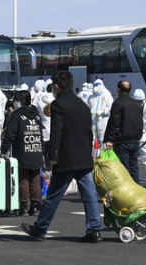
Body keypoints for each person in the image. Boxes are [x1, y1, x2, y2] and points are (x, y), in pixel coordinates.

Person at [21, 71, 102, 243]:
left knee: (53, 195)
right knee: (89, 195)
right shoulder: (82, 105)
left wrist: (52, 157)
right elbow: (89, 132)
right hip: (83, 157)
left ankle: (40, 228)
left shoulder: (58, 104)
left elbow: (57, 132)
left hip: (67, 157)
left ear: (56, 86)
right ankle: (94, 229)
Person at [1, 90, 45, 216]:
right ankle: (35, 206)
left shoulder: (17, 116)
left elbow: (10, 135)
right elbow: (41, 134)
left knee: (23, 180)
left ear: (20, 101)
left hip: (22, 152)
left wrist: (4, 149)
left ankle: (24, 206)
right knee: (35, 179)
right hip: (36, 150)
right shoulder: (36, 115)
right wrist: (42, 150)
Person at [103, 80, 144, 183]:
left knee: (124, 168)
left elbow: (114, 123)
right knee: (134, 168)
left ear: (119, 90)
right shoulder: (136, 104)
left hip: (122, 141)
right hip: (135, 140)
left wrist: (110, 139)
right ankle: (137, 191)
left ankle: (126, 192)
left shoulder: (118, 103)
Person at [132, 89, 146, 181]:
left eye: (141, 101)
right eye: (137, 101)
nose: (139, 103)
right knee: (131, 159)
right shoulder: (131, 107)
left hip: (142, 137)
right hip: (132, 136)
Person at [87, 79, 113, 144]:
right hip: (93, 121)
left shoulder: (106, 94)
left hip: (103, 121)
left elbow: (111, 108)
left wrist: (103, 111)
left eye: (97, 86)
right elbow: (87, 107)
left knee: (103, 139)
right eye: (94, 86)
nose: (95, 88)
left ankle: (103, 154)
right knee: (93, 140)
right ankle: (94, 154)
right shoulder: (91, 96)